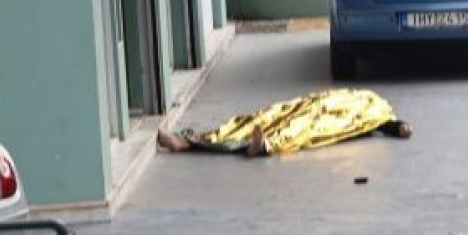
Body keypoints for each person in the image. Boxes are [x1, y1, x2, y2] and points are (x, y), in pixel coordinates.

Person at [157, 88, 412, 158]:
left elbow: (385, 123)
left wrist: (399, 127)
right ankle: (186, 141)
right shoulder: (368, 99)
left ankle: (263, 146)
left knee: (300, 130)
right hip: (314, 105)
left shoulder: (376, 111)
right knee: (263, 118)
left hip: (329, 120)